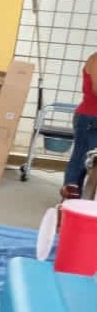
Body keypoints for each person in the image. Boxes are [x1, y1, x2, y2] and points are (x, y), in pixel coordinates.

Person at [61, 51, 97, 200]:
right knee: (81, 160)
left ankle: (83, 202)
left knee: (90, 162)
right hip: (90, 118)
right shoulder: (96, 59)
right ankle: (70, 201)